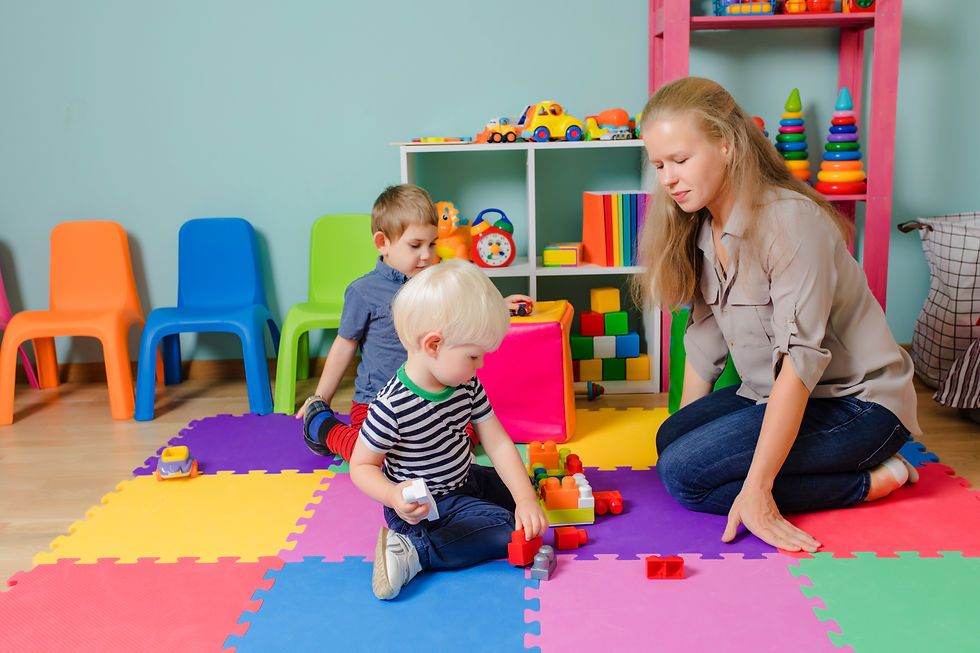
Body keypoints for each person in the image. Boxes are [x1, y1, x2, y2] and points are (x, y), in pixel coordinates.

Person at [634, 77, 921, 553]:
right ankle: (730, 466)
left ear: (726, 145)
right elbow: (704, 346)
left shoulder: (790, 220)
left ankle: (873, 479)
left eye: (680, 161)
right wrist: (693, 436)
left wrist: (760, 487)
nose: (667, 179)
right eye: (659, 165)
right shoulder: (704, 226)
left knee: (686, 478)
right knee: (673, 443)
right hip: (765, 397)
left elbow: (801, 362)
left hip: (858, 406)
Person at [348, 258, 548, 600]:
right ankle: (415, 551)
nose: (480, 366)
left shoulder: (466, 385)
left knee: (521, 492)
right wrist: (393, 496)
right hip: (424, 509)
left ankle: (511, 503)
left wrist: (526, 498)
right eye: (473, 356)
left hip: (463, 478)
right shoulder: (392, 406)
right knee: (504, 526)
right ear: (433, 345)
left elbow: (497, 443)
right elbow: (361, 466)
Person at [297, 184, 531, 462]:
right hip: (378, 400)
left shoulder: (437, 282)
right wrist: (322, 396)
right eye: (415, 245)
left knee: (459, 447)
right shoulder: (364, 291)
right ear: (383, 243)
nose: (427, 254)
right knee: (382, 460)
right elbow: (344, 344)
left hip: (433, 396)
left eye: (432, 243)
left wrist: (495, 306)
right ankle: (322, 427)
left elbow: (464, 309)